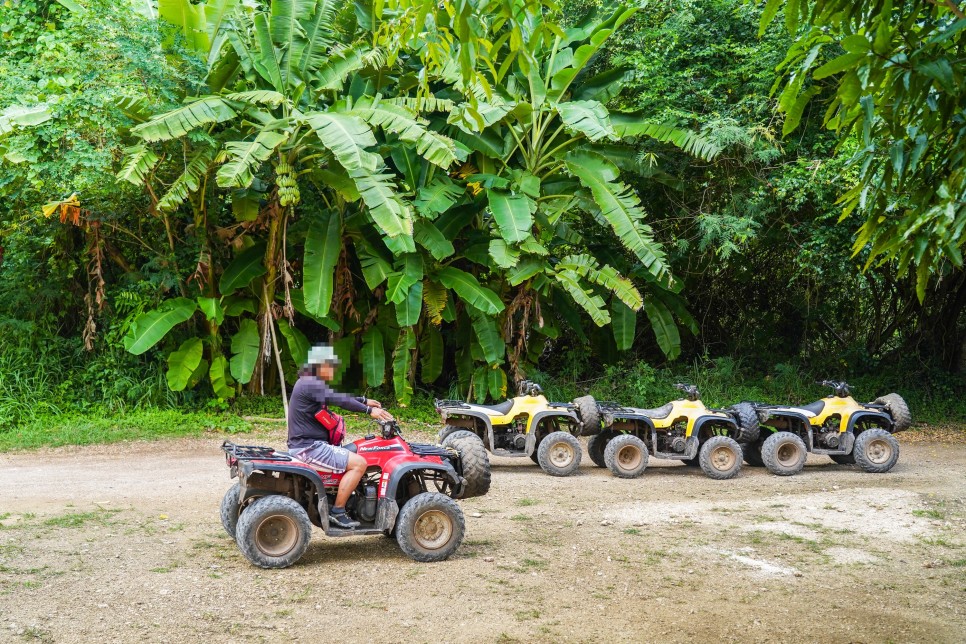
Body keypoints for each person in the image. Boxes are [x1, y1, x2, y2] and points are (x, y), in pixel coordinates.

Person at [288, 344, 393, 529]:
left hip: (306, 445)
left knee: (352, 455)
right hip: (310, 448)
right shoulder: (310, 383)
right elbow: (339, 400)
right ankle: (338, 510)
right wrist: (368, 410)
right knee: (360, 464)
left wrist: (362, 400)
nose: (333, 371)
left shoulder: (307, 382)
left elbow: (335, 395)